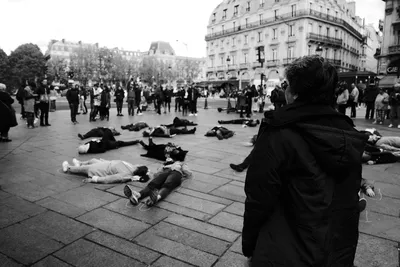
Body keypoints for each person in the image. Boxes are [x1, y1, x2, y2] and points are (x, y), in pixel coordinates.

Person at [242, 55, 367, 266]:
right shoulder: (349, 133)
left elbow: (259, 196)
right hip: (335, 251)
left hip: (284, 249)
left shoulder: (279, 131)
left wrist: (250, 243)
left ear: (295, 92)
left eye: (287, 85)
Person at [124, 160, 192, 207]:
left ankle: (157, 197)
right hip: (165, 172)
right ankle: (137, 196)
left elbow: (188, 172)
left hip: (176, 173)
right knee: (153, 184)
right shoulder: (166, 165)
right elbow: (156, 174)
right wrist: (163, 167)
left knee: (167, 185)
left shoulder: (180, 163)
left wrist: (181, 165)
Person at [62, 158, 149, 184]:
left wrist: (94, 179)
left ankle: (68, 168)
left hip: (100, 170)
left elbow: (109, 179)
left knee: (87, 168)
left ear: (139, 167)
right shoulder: (131, 166)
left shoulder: (126, 174)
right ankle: (80, 163)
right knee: (93, 160)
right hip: (105, 165)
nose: (137, 164)